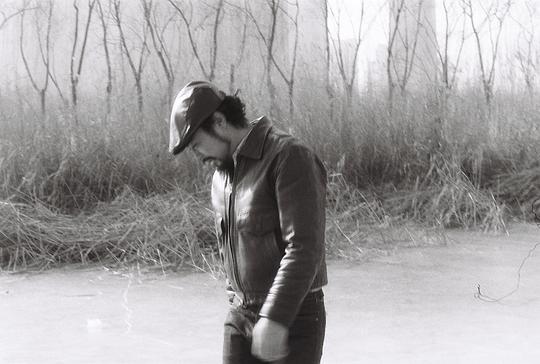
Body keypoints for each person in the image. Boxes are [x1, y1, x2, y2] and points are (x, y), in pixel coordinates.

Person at [169, 80, 327, 364]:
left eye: (196, 145)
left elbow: (305, 247)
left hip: (294, 316)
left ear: (219, 121)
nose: (199, 156)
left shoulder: (288, 157)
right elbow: (229, 249)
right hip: (241, 315)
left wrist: (274, 316)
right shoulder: (221, 177)